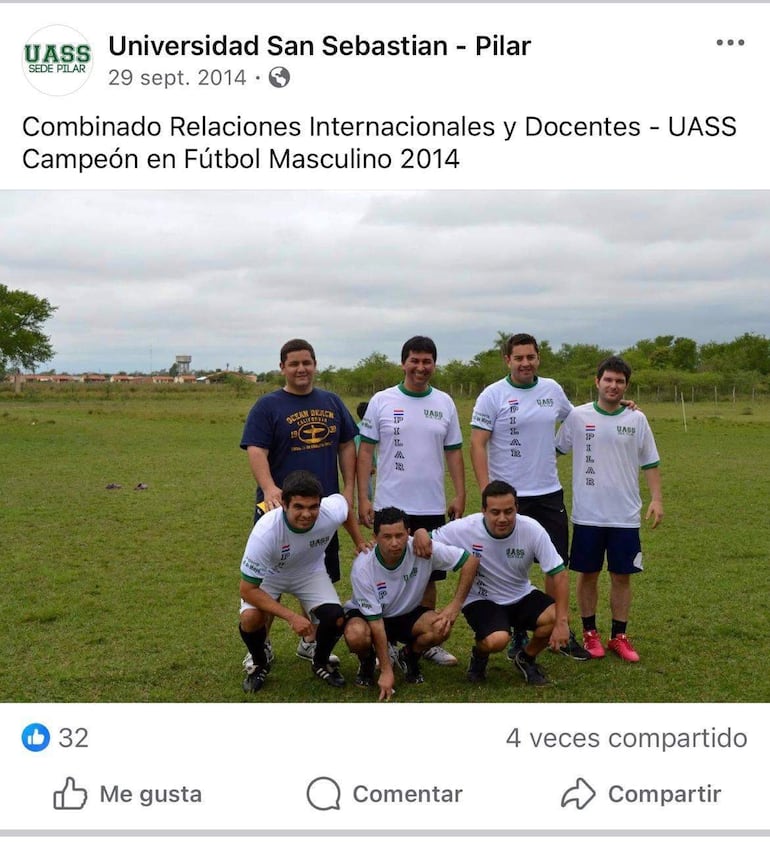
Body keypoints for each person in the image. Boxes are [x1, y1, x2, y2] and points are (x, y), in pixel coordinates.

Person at [241, 338, 364, 665]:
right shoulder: (268, 406)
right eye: (293, 363)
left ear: (315, 364)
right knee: (270, 581)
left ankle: (311, 641)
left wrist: (349, 487)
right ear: (282, 367)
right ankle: (261, 646)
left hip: (318, 510)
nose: (301, 369)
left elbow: (347, 445)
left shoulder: (332, 402)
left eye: (306, 362)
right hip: (281, 509)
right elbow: (256, 449)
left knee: (313, 570)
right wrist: (269, 488)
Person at [469, 332, 590, 661]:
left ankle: (558, 631)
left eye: (531, 357)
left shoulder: (552, 389)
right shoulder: (492, 395)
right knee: (506, 567)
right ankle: (516, 631)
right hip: (508, 500)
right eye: (518, 357)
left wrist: (617, 406)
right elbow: (477, 443)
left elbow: (577, 417)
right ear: (507, 360)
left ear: (538, 358)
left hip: (549, 492)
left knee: (555, 566)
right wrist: (486, 490)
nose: (525, 363)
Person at [356, 336, 466, 667]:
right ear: (403, 363)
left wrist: (460, 493)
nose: (421, 367)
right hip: (390, 508)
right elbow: (364, 451)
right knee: (385, 573)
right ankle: (385, 641)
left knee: (428, 575)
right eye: (414, 360)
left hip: (431, 506)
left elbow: (454, 451)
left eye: (427, 361)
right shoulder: (382, 401)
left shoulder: (445, 403)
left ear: (434, 364)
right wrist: (363, 496)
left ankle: (423, 642)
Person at [555, 356, 663, 662]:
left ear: (626, 386)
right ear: (597, 381)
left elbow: (651, 462)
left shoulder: (636, 419)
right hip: (588, 514)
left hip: (625, 516)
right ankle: (590, 634)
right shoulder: (577, 417)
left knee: (621, 576)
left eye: (620, 381)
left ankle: (619, 636)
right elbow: (554, 450)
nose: (613, 385)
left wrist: (656, 499)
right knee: (587, 574)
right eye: (608, 380)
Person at [417, 481, 570, 686]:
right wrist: (419, 533)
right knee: (497, 640)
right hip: (482, 598)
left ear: (517, 508)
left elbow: (559, 574)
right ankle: (479, 655)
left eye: (509, 511)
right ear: (483, 511)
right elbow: (425, 538)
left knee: (554, 617)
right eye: (495, 512)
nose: (502, 518)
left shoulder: (532, 529)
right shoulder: (466, 528)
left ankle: (526, 657)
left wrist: (562, 622)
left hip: (521, 593)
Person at [343, 507, 479, 700]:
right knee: (356, 634)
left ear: (408, 533)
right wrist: (386, 670)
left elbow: (470, 561)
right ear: (375, 536)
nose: (394, 542)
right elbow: (376, 622)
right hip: (371, 617)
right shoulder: (363, 566)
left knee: (441, 627)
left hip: (407, 614)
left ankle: (409, 655)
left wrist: (455, 605)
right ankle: (367, 662)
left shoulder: (420, 547)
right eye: (387, 537)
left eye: (400, 535)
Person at [239, 471, 350, 693]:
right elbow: (247, 590)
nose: (307, 514)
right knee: (251, 618)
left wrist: (359, 541)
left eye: (313, 507)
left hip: (309, 572)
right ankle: (260, 663)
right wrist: (292, 616)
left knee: (336, 617)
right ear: (284, 504)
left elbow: (345, 510)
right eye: (299, 507)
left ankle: (321, 661)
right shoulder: (266, 531)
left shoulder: (331, 510)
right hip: (271, 575)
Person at [355, 400, 376, 503]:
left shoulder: (357, 427)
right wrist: (372, 465)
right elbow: (364, 450)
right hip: (364, 465)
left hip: (360, 464)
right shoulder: (366, 429)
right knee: (367, 493)